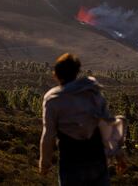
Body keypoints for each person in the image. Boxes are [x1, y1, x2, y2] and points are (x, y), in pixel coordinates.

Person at [39, 53, 115, 185]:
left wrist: (45, 161)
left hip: (71, 161)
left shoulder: (53, 99)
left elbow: (48, 134)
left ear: (56, 74)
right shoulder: (92, 91)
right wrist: (118, 153)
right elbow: (107, 124)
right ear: (76, 72)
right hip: (97, 158)